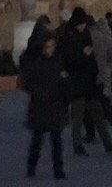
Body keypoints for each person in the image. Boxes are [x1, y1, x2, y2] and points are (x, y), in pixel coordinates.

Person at [62, 8, 112, 155]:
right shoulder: (69, 37)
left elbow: (91, 58)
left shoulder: (85, 35)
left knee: (98, 114)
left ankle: (108, 143)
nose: (82, 27)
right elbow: (69, 61)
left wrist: (93, 71)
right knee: (77, 117)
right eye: (80, 24)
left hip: (89, 82)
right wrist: (83, 54)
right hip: (77, 83)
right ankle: (77, 145)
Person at [20, 26, 68, 180]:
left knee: (56, 140)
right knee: (37, 140)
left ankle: (58, 169)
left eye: (52, 46)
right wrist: (35, 92)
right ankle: (31, 166)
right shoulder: (36, 62)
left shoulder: (58, 60)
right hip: (40, 104)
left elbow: (63, 80)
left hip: (54, 103)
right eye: (48, 46)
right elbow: (27, 81)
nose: (50, 49)